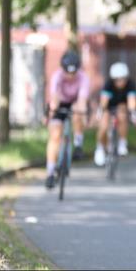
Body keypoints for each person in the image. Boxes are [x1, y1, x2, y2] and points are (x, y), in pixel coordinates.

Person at [45, 50, 90, 189]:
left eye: (73, 73)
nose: (70, 76)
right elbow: (54, 98)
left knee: (78, 113)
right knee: (55, 135)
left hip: (76, 102)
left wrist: (82, 113)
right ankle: (50, 172)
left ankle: (78, 144)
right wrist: (52, 114)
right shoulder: (57, 76)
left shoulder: (83, 78)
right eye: (67, 73)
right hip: (60, 102)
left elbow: (82, 100)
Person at [94, 62, 136, 167]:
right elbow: (104, 102)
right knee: (103, 126)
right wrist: (100, 112)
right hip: (108, 107)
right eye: (117, 80)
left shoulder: (130, 85)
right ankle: (100, 148)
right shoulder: (108, 85)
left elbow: (131, 101)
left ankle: (122, 143)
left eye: (122, 79)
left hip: (121, 106)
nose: (120, 82)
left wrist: (133, 113)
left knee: (122, 114)